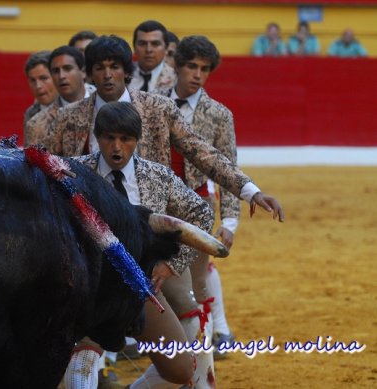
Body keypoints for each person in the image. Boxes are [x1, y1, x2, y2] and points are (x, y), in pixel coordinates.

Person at [43, 34, 285, 225]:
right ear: (90, 74)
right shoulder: (68, 117)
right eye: (100, 68)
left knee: (179, 290)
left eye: (114, 66)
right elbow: (44, 166)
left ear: (127, 71)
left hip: (151, 224)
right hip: (89, 225)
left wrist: (249, 191)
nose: (107, 75)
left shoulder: (158, 109)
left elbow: (200, 151)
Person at [65, 101, 215, 389]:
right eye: (109, 137)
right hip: (92, 289)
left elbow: (202, 214)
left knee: (180, 368)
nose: (117, 147)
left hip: (140, 286)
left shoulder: (156, 176)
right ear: (98, 137)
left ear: (137, 140)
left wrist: (171, 264)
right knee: (82, 361)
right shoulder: (75, 173)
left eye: (126, 138)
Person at [162, 35, 239, 384]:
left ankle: (203, 363)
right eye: (191, 66)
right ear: (177, 65)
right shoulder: (151, 103)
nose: (197, 74)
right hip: (156, 205)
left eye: (204, 69)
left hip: (197, 209)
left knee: (196, 288)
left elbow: (228, 166)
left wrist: (232, 220)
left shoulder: (219, 114)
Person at [24, 46, 93, 146]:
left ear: (83, 72)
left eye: (44, 78)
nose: (61, 76)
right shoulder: (35, 122)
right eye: (56, 71)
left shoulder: (103, 99)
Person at [128, 20, 177, 94]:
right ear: (134, 47)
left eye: (155, 44)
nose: (148, 49)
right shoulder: (123, 76)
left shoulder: (177, 80)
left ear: (166, 48)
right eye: (142, 43)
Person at [22, 50, 59, 127]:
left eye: (44, 78)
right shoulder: (31, 113)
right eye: (32, 80)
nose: (38, 86)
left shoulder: (79, 107)